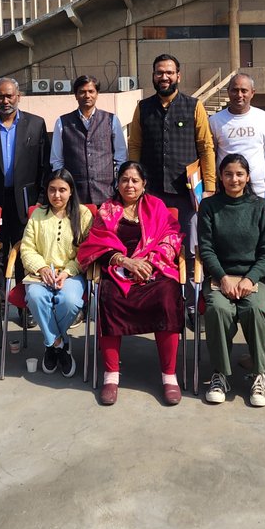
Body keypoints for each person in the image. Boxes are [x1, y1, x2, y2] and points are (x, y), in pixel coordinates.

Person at [77, 161, 184, 406]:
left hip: (152, 271)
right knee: (109, 296)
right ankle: (111, 376)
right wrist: (125, 261)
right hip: (118, 272)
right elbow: (96, 245)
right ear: (118, 183)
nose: (130, 185)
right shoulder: (107, 210)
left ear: (144, 184)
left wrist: (149, 261)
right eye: (125, 179)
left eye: (135, 180)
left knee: (168, 295)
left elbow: (171, 236)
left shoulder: (156, 206)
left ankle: (169, 376)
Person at [0, 77, 50, 328]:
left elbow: (44, 166)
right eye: (1, 96)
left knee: (27, 253)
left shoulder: (36, 125)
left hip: (26, 202)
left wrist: (41, 200)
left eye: (10, 96)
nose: (5, 100)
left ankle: (26, 307)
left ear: (18, 96)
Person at [197, 154, 265, 407]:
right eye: (229, 174)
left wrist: (250, 278)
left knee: (255, 309)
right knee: (218, 309)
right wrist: (222, 278)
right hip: (220, 277)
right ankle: (220, 373)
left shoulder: (260, 206)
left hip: (254, 278)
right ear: (221, 177)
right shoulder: (209, 207)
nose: (234, 179)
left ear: (248, 177)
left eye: (239, 174)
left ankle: (259, 374)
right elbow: (206, 249)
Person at [127, 54, 215, 240]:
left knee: (189, 243)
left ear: (178, 76)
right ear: (153, 76)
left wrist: (210, 187)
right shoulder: (143, 107)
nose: (164, 77)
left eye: (169, 73)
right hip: (152, 190)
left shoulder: (194, 106)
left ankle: (189, 270)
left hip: (186, 191)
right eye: (159, 73)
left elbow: (206, 147)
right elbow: (135, 145)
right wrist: (134, 181)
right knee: (152, 241)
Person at [18, 169, 93, 377]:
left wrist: (68, 271)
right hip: (40, 274)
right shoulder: (38, 214)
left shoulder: (83, 214)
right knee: (35, 296)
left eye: (62, 190)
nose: (57, 195)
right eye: (52, 190)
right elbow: (27, 247)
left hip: (71, 274)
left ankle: (51, 344)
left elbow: (87, 250)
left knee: (70, 301)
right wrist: (41, 268)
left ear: (71, 191)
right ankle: (59, 343)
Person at [50, 74, 127, 206]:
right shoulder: (62, 122)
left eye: (91, 91)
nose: (87, 96)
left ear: (97, 94)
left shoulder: (111, 120)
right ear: (75, 95)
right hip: (75, 197)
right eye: (82, 92)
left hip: (106, 195)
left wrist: (116, 185)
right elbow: (57, 160)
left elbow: (121, 157)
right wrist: (64, 187)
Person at [208, 72, 265, 198]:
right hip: (226, 191)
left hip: (257, 191)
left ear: (252, 93)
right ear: (228, 92)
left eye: (244, 90)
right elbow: (212, 153)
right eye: (234, 90)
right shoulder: (215, 121)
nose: (239, 95)